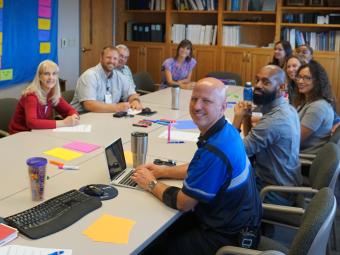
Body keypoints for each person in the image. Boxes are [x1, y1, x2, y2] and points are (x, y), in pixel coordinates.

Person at [132, 78, 262, 255]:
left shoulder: (214, 150)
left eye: (206, 101)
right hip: (238, 222)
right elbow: (201, 168)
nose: (197, 106)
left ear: (223, 107)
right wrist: (163, 171)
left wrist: (151, 184)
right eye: (194, 99)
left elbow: (183, 203)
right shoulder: (227, 130)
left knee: (149, 247)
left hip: (227, 238)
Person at [233, 65, 301, 206]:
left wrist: (237, 118)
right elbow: (253, 141)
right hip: (286, 184)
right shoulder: (288, 109)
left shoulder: (273, 121)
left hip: (272, 192)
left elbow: (232, 153)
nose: (257, 85)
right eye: (257, 80)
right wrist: (247, 117)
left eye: (266, 82)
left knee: (218, 186)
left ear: (282, 87)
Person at [9, 60, 79, 134]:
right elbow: (32, 123)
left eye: (54, 74)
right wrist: (64, 123)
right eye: (46, 74)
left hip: (40, 132)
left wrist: (74, 117)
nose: (51, 77)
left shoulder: (52, 93)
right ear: (39, 77)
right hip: (21, 135)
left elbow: (70, 110)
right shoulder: (31, 95)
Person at [71, 46, 142, 113]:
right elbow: (89, 105)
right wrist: (117, 108)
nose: (112, 61)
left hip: (105, 115)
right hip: (82, 116)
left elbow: (132, 93)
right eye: (108, 57)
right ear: (101, 58)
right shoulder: (89, 76)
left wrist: (135, 101)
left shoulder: (119, 76)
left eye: (115, 59)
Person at [295, 60, 335, 154]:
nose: (300, 81)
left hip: (303, 159)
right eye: (299, 77)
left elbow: (294, 139)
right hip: (296, 153)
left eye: (307, 78)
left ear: (318, 81)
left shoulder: (318, 107)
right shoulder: (308, 101)